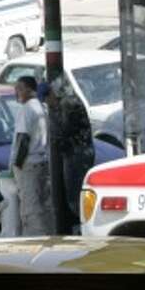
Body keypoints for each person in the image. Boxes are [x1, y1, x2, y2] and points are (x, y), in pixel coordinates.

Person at [48, 74, 95, 233]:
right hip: (79, 153)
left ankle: (81, 226)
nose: (49, 103)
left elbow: (64, 133)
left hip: (77, 155)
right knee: (76, 191)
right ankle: (80, 224)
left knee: (75, 193)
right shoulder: (69, 101)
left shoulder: (68, 104)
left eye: (48, 98)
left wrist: (56, 143)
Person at [10, 74, 54, 236]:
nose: (16, 92)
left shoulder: (27, 109)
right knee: (44, 209)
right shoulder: (41, 107)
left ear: (29, 90)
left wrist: (16, 166)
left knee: (31, 211)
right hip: (42, 163)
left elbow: (23, 139)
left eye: (19, 88)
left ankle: (35, 245)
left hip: (28, 166)